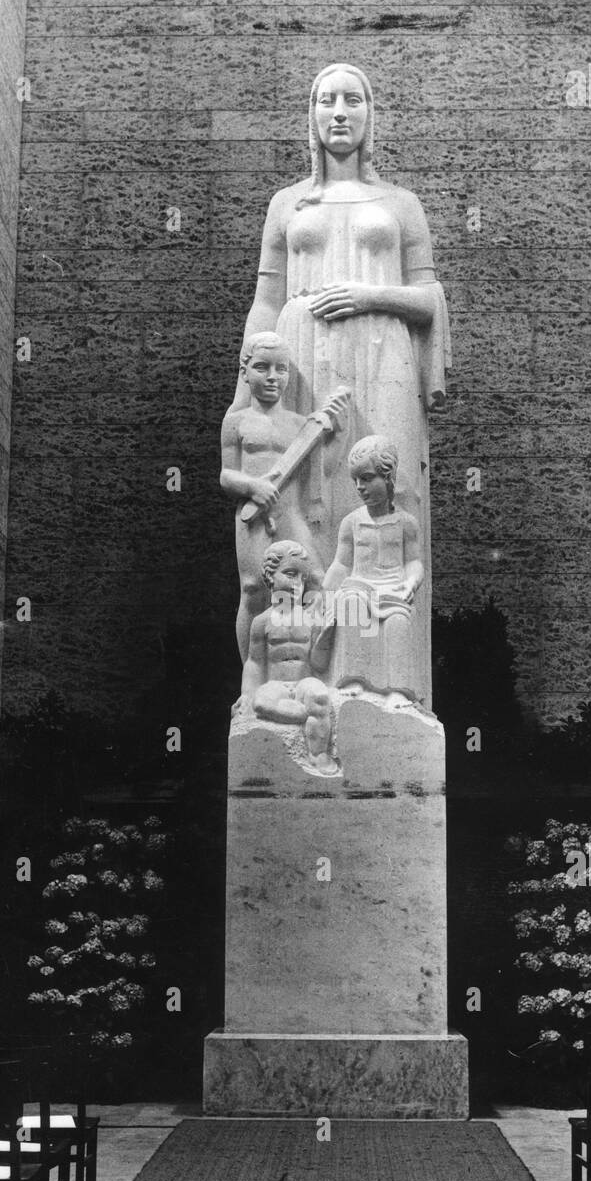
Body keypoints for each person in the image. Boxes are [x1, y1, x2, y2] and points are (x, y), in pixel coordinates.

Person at [223, 63, 450, 706]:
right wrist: (248, 388)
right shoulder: (288, 203)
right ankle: (304, 682)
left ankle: (387, 685)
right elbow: (265, 302)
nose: (340, 112)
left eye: (353, 100)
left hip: (384, 349)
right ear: (313, 115)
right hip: (300, 351)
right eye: (327, 101)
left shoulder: (402, 204)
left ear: (371, 114)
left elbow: (430, 296)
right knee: (308, 504)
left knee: (389, 488)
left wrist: (371, 294)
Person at [220, 331, 348, 661]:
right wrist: (252, 487)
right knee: (252, 590)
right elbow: (226, 474)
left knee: (316, 580)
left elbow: (322, 474)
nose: (273, 377)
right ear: (244, 372)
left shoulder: (299, 424)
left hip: (292, 514)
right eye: (262, 367)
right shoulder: (236, 423)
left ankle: (311, 660)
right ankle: (252, 675)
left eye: (282, 368)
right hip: (254, 520)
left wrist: (336, 434)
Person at [322, 435, 423, 707]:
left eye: (366, 478)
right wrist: (325, 592)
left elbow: (413, 562)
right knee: (352, 604)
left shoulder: (406, 523)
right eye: (356, 480)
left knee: (397, 622)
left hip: (392, 589)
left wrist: (411, 582)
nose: (360, 487)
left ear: (388, 477)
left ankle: (399, 689)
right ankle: (355, 678)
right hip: (360, 586)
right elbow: (341, 564)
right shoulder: (351, 522)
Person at [239, 540, 338, 774]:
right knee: (260, 702)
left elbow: (319, 665)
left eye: (302, 578)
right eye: (291, 574)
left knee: (320, 696)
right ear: (271, 576)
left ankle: (318, 754)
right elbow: (255, 663)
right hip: (276, 685)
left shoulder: (312, 619)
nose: (297, 583)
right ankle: (299, 714)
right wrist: (246, 695)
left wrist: (324, 639)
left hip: (303, 682)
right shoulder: (262, 622)